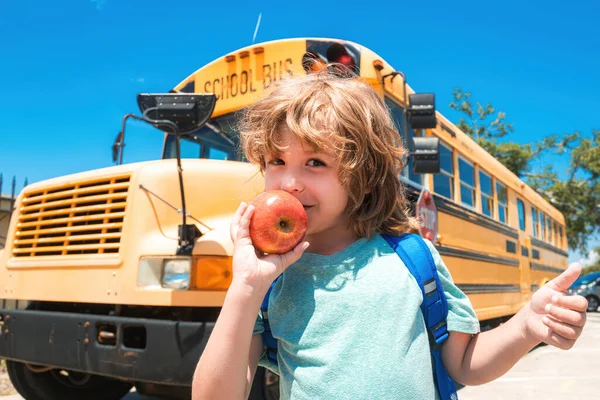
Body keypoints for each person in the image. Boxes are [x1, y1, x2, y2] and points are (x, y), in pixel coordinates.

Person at [192, 68, 588, 400]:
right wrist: (244, 289)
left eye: (315, 161)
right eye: (276, 161)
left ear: (363, 178)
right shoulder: (269, 280)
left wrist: (523, 327)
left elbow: (464, 364)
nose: (290, 181)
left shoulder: (412, 258)